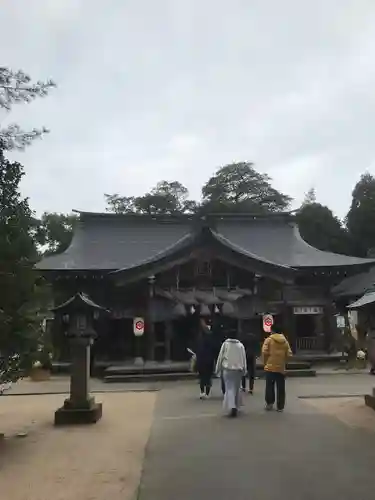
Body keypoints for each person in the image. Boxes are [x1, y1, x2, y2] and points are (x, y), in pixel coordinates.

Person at [215, 331, 247, 417]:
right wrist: (244, 370)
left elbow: (220, 357)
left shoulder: (225, 344)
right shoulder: (240, 345)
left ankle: (232, 406)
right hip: (238, 370)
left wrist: (217, 369)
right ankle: (236, 406)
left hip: (227, 369)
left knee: (229, 388)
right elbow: (244, 359)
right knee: (236, 389)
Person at [262, 326, 292, 412]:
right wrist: (284, 362)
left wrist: (265, 363)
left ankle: (269, 403)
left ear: (272, 331)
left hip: (270, 367)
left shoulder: (268, 340)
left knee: (269, 387)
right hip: (281, 368)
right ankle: (280, 406)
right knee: (281, 388)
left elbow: (264, 352)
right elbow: (289, 354)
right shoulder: (285, 341)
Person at [195, 318, 217, 399]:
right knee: (208, 377)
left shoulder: (199, 337)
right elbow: (214, 347)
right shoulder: (210, 335)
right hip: (209, 359)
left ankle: (202, 392)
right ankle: (207, 393)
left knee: (202, 377)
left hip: (201, 359)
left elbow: (197, 347)